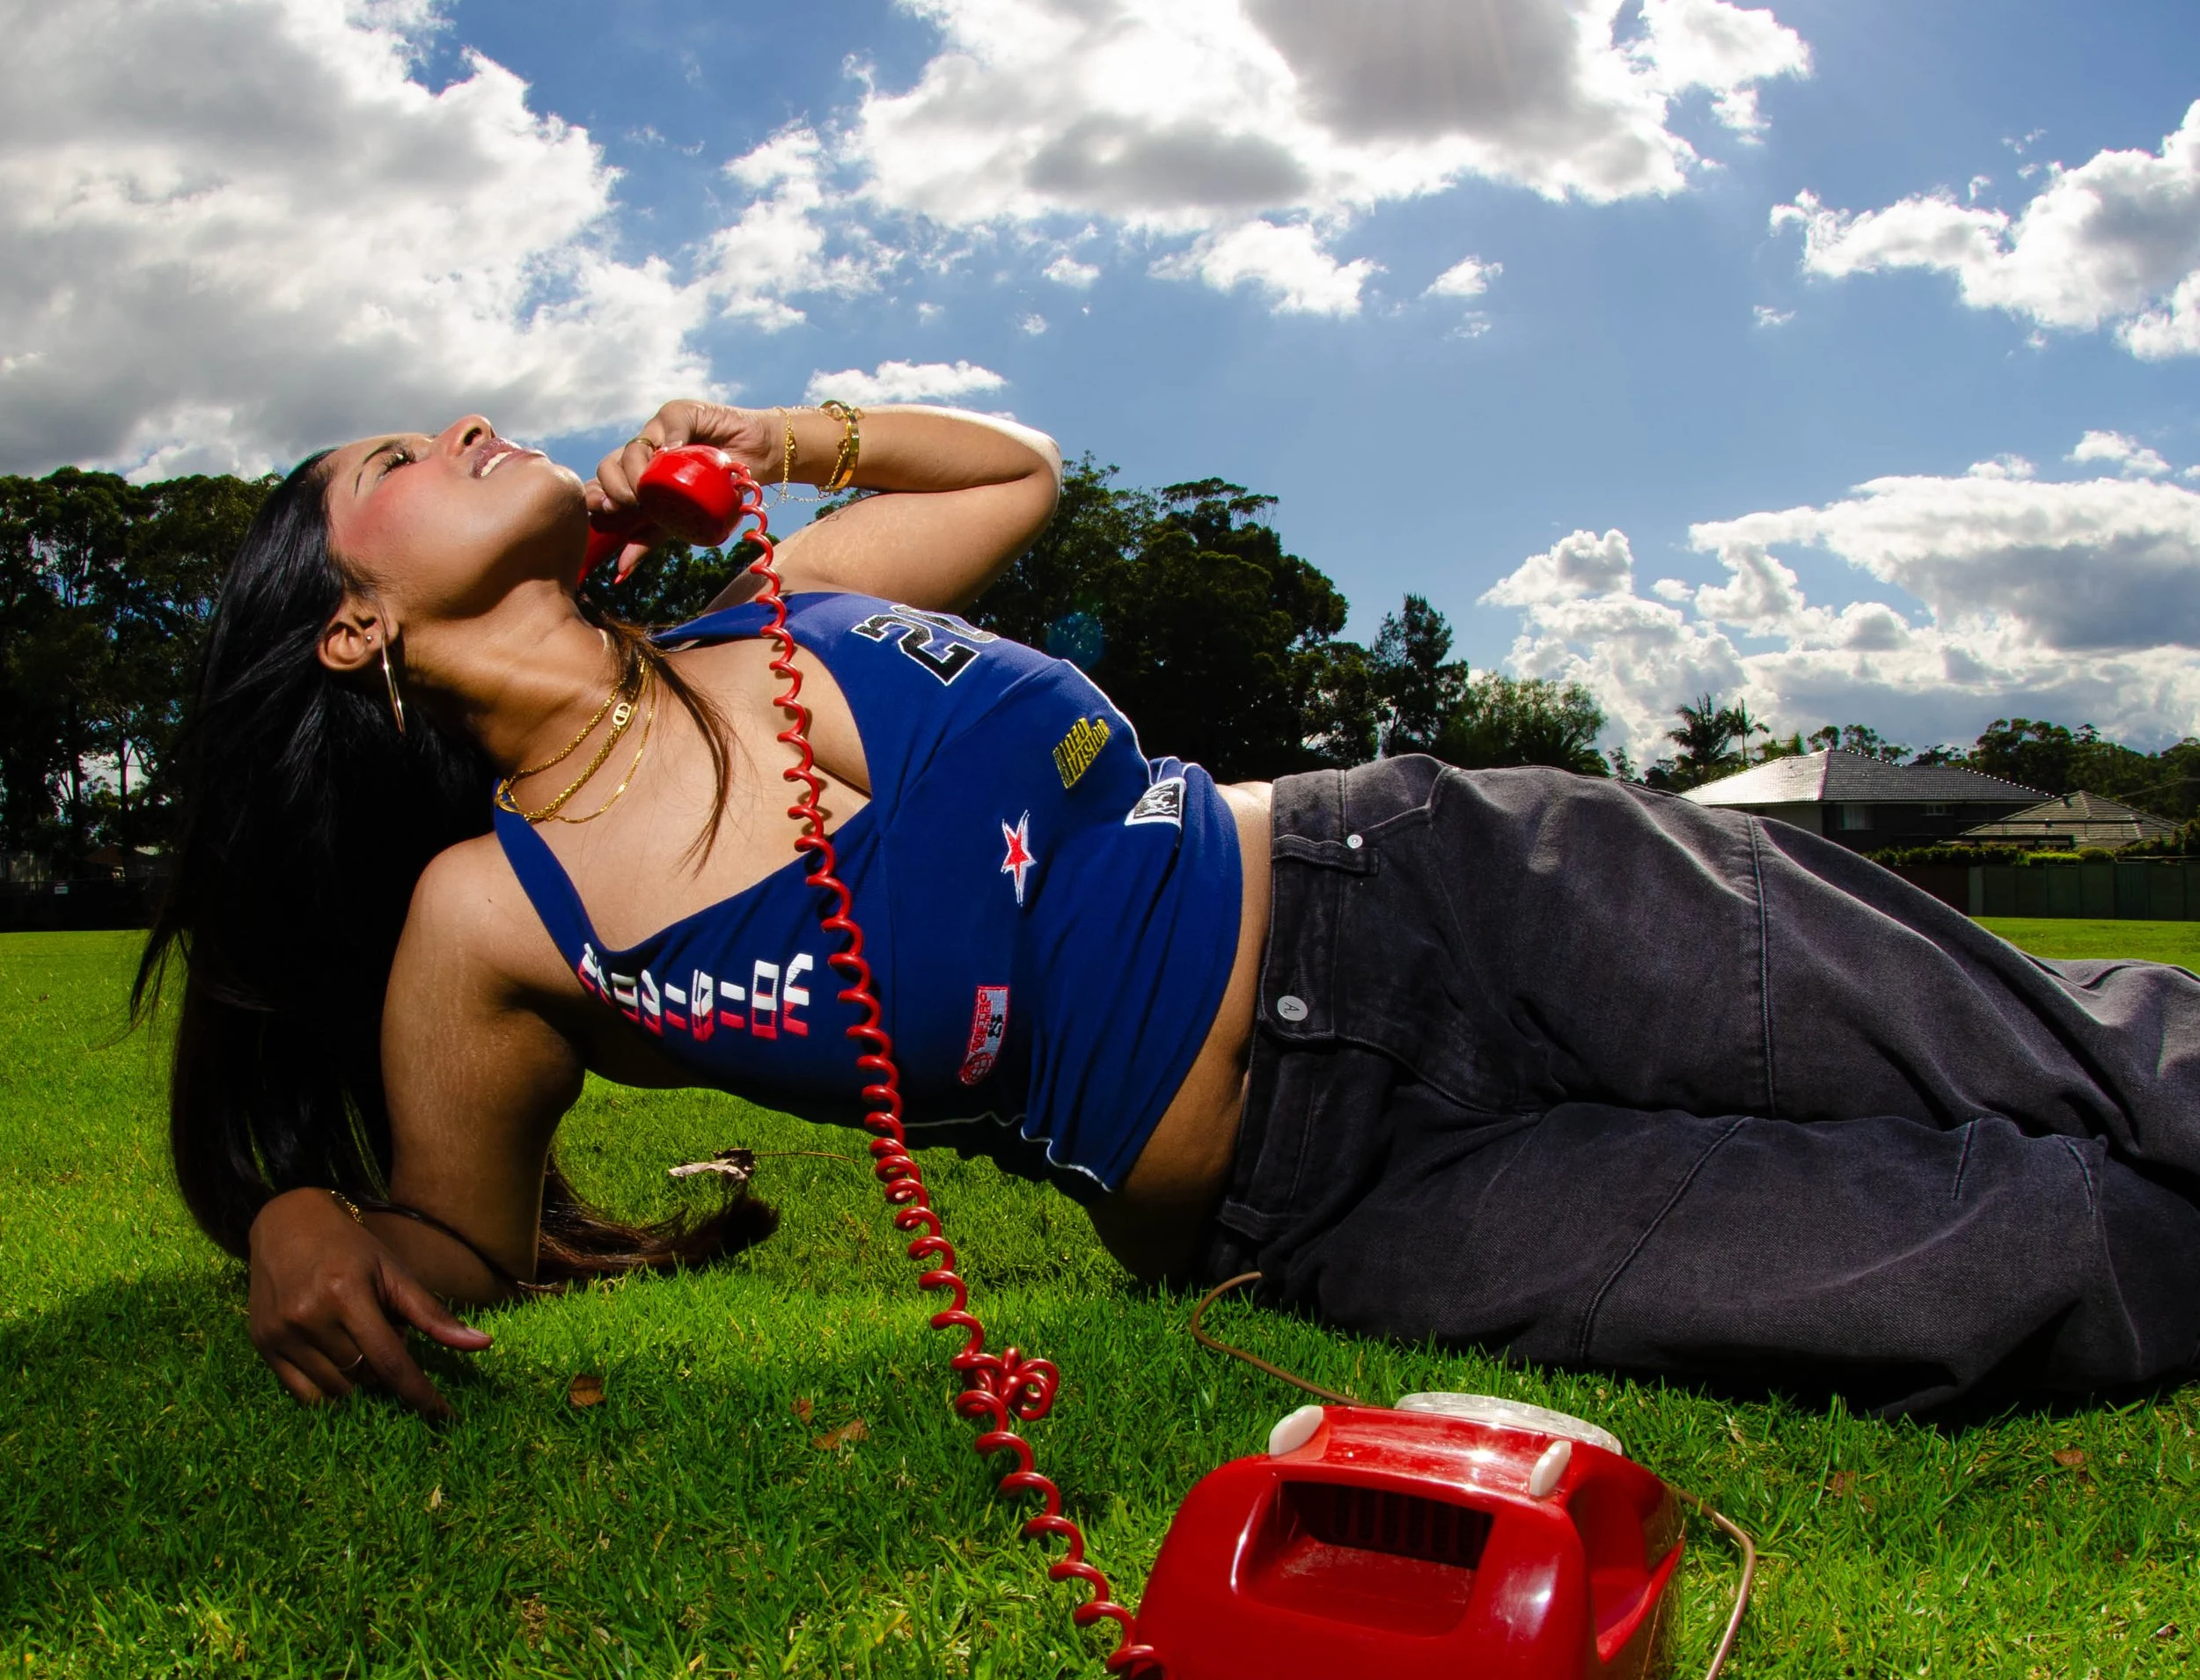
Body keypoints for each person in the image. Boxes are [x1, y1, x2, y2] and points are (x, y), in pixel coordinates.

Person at [147, 398, 2200, 1428]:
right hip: (1327, 1202)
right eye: (398, 460)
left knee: (2067, 1053)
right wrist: (297, 1217)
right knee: (2019, 1270)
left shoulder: (776, 599)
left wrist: (788, 442)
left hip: (1441, 885)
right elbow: (453, 1245)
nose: (466, 422)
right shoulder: (481, 921)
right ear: (347, 627)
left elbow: (1010, 477)